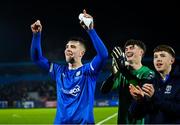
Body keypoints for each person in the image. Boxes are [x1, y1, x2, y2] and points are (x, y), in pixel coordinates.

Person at [30, 10, 108, 124]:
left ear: (81, 53)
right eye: (67, 46)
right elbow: (37, 58)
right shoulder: (58, 71)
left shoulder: (88, 71)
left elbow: (103, 55)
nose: (68, 49)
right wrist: (36, 36)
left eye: (73, 47)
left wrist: (91, 30)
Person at [100, 39, 155, 124]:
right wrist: (113, 74)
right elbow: (104, 90)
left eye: (131, 48)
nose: (128, 50)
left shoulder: (148, 72)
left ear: (141, 52)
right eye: (126, 49)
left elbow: (141, 90)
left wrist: (123, 69)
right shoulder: (121, 73)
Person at [129, 45, 180, 124]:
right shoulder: (148, 83)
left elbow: (177, 109)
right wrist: (139, 100)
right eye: (155, 57)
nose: (158, 59)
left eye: (162, 56)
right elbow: (135, 115)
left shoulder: (178, 82)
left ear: (172, 60)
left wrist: (154, 97)